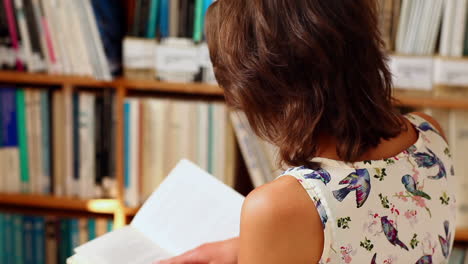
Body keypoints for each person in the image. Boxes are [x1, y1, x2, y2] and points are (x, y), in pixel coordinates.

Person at [156, 0, 456, 263]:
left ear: (260, 87)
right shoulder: (430, 135)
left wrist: (261, 240)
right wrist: (246, 248)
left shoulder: (284, 205)